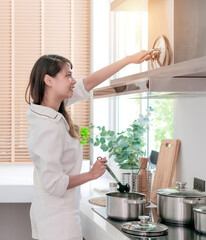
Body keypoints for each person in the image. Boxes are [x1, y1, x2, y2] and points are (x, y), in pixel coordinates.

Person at [25, 51, 150, 240]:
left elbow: (88, 83)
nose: (73, 80)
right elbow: (53, 184)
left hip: (52, 218)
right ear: (48, 80)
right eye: (68, 75)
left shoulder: (48, 109)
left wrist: (128, 60)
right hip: (58, 224)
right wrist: (91, 175)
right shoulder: (48, 127)